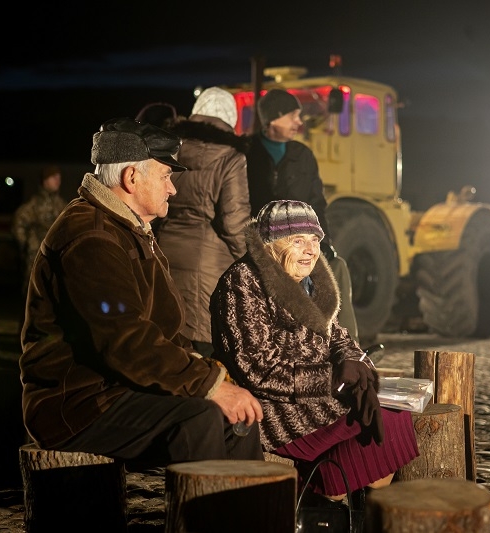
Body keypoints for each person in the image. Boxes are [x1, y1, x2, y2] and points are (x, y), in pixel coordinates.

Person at [19, 117, 264, 469]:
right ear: (132, 177)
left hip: (117, 387)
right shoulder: (91, 236)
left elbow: (162, 332)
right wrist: (208, 385)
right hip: (78, 402)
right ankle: (203, 514)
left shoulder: (128, 229)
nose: (173, 189)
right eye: (165, 176)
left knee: (238, 418)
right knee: (198, 418)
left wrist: (208, 375)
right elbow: (126, 339)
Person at [211, 199, 418, 517]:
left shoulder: (310, 283)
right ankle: (325, 501)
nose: (310, 250)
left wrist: (360, 368)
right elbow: (257, 368)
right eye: (298, 240)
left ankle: (348, 510)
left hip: (317, 395)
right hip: (275, 403)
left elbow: (340, 338)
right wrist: (333, 378)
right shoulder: (243, 282)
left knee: (391, 414)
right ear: (272, 244)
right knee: (383, 423)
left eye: (315, 240)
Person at [245, 89, 360, 342]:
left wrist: (324, 242)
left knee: (337, 268)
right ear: (273, 118)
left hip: (300, 240)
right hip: (266, 244)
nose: (299, 122)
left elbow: (317, 202)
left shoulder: (303, 155)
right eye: (293, 116)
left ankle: (349, 346)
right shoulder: (247, 153)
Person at [150, 86, 251, 357]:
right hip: (209, 263)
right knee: (206, 349)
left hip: (166, 252)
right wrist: (254, 261)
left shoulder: (170, 150)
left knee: (170, 338)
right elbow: (234, 222)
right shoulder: (231, 158)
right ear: (230, 119)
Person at [11, 165, 66, 296]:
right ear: (45, 180)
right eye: (54, 178)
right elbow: (18, 224)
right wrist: (28, 245)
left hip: (57, 257)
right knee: (33, 291)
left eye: (59, 178)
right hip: (35, 257)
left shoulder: (62, 205)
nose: (58, 181)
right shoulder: (33, 205)